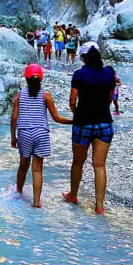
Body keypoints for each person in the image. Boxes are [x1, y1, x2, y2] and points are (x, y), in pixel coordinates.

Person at [10, 63, 73, 208]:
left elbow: (14, 118)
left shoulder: (19, 96)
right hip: (41, 133)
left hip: (24, 132)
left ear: (26, 79)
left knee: (23, 165)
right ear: (41, 79)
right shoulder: (46, 96)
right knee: (37, 169)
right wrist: (74, 121)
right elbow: (57, 118)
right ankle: (37, 202)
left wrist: (13, 137)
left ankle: (18, 192)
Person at [64, 42, 116, 214]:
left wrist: (77, 114)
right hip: (104, 123)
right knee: (99, 165)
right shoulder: (109, 73)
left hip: (83, 123)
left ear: (85, 58)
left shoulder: (79, 74)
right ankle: (99, 205)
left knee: (78, 162)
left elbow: (72, 101)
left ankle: (73, 195)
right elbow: (110, 98)